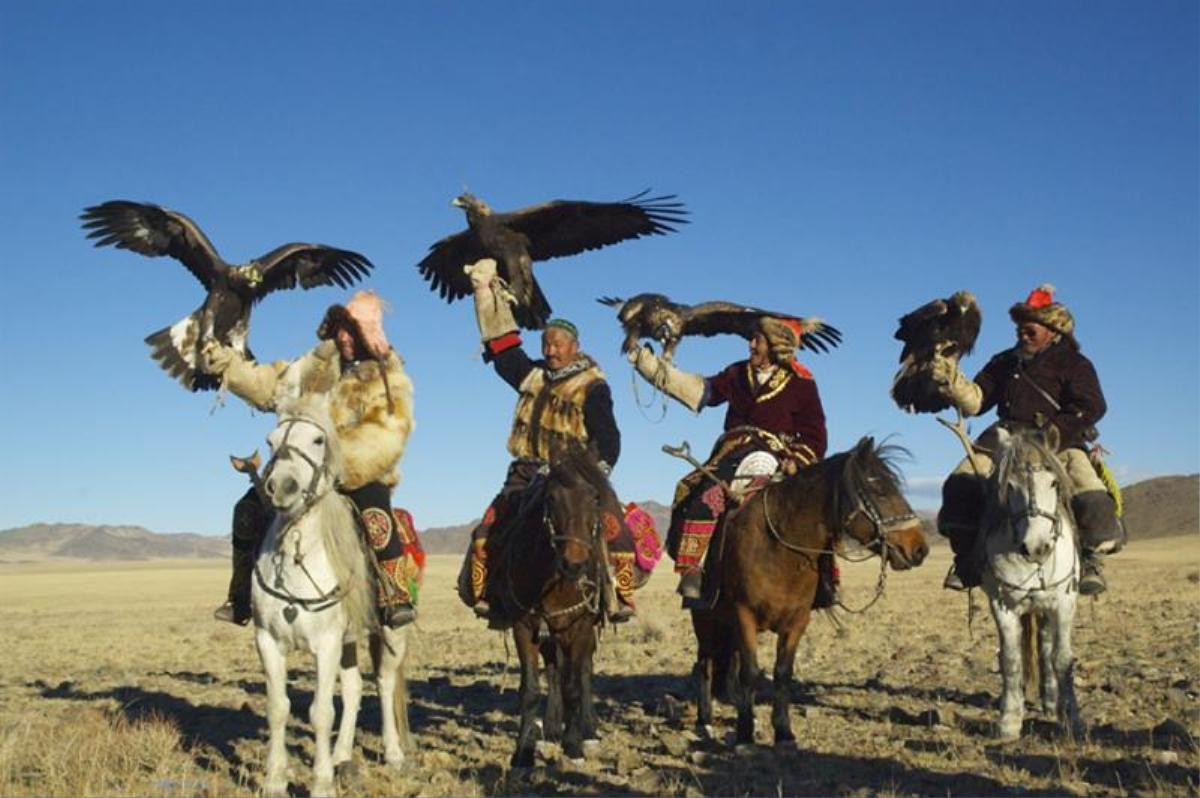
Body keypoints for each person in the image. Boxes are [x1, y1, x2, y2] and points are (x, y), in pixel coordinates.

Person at [203, 290, 419, 627]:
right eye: (341, 328)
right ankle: (241, 596)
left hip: (355, 473)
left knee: (377, 514)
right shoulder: (313, 368)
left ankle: (394, 595)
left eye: (353, 330)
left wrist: (336, 465)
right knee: (246, 510)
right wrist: (230, 365)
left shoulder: (387, 378)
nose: (345, 337)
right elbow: (270, 387)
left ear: (368, 335)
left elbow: (387, 434)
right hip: (300, 466)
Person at [457, 258, 637, 623]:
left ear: (574, 346)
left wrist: (593, 476)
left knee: (615, 529)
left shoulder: (593, 386)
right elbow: (504, 353)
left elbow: (609, 438)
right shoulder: (533, 376)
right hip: (524, 474)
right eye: (546, 344)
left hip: (573, 476)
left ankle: (620, 595)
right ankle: (492, 595)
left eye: (557, 345)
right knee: (486, 532)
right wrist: (485, 296)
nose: (550, 351)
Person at [932, 284, 1122, 595]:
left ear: (1053, 331)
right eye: (1020, 330)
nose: (1023, 335)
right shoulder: (1003, 361)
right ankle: (966, 559)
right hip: (1004, 439)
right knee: (960, 482)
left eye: (1030, 331)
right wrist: (952, 380)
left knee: (1089, 489)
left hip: (1057, 442)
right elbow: (978, 400)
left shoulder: (1075, 364)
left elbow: (1092, 406)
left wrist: (1054, 433)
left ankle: (1089, 562)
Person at [629, 316, 829, 607]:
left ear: (775, 346)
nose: (750, 345)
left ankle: (824, 582)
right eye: (752, 339)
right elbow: (703, 392)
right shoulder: (737, 373)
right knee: (701, 497)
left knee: (820, 511)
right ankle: (692, 571)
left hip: (780, 456)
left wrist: (797, 461)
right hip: (733, 454)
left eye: (757, 340)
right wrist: (653, 369)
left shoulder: (802, 383)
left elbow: (815, 434)